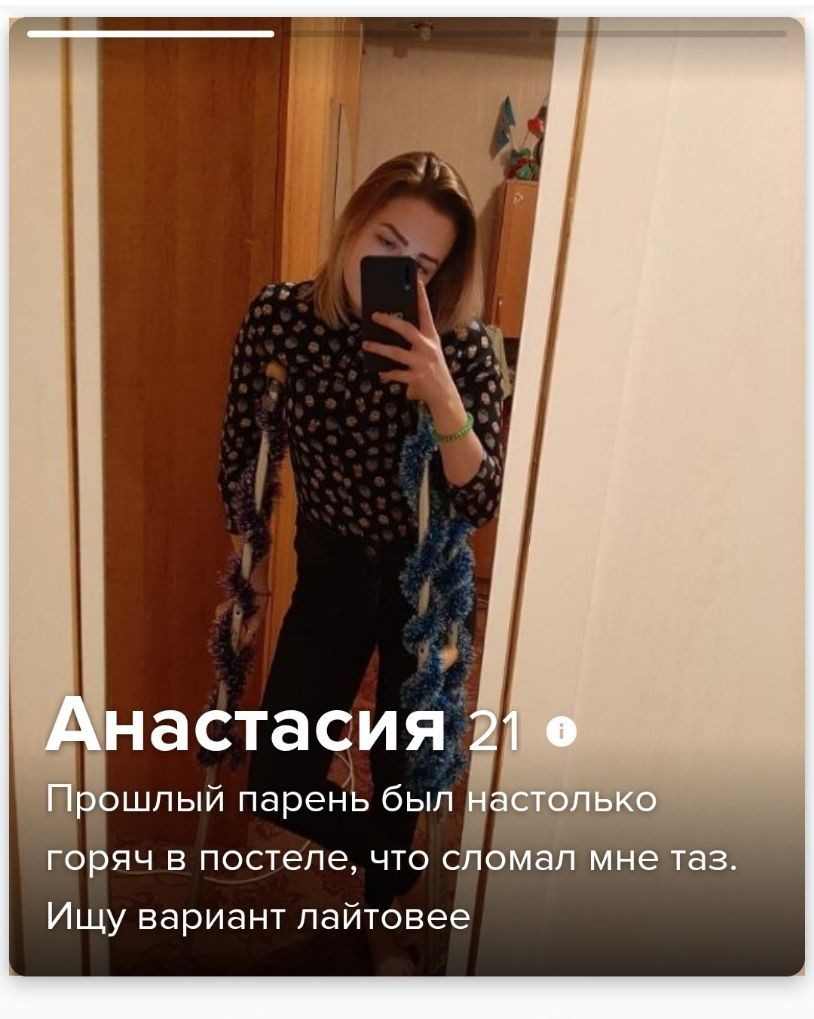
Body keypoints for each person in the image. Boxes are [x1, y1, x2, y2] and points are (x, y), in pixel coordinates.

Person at [216, 151, 505, 974]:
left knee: (401, 766)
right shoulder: (281, 317)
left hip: (426, 581)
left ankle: (383, 923)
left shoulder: (462, 348)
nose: (397, 273)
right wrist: (250, 573)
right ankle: (397, 861)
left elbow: (481, 496)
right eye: (385, 244)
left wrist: (442, 393)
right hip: (333, 564)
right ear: (352, 223)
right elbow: (243, 452)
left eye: (422, 265)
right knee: (279, 776)